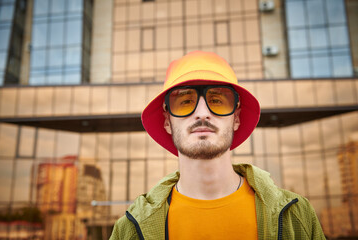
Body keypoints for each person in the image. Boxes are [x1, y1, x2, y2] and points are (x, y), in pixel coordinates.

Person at [109, 51, 325, 239]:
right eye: (185, 101)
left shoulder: (297, 216)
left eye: (217, 100)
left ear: (237, 117)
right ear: (167, 120)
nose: (202, 113)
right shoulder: (130, 229)